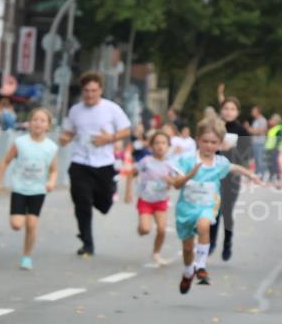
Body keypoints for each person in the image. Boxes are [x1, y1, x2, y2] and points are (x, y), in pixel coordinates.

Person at [172, 118, 261, 294]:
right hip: (186, 209)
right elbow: (176, 184)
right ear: (197, 140)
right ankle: (189, 271)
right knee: (187, 248)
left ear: (220, 144)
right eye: (205, 141)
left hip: (208, 205)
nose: (209, 146)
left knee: (204, 224)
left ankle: (201, 266)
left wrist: (251, 175)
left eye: (214, 142)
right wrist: (190, 175)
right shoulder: (187, 159)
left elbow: (234, 167)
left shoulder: (219, 163)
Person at [59, 71, 132, 256]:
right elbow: (68, 132)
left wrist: (111, 138)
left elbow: (126, 130)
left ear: (100, 90)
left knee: (104, 205)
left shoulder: (111, 109)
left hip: (104, 164)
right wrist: (65, 138)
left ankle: (110, 190)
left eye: (93, 90)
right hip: (80, 162)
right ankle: (87, 242)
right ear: (82, 91)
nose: (90, 94)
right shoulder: (75, 110)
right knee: (82, 202)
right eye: (86, 91)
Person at [0, 108, 58, 270]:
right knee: (16, 225)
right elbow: (5, 161)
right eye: (35, 119)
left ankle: (26, 257)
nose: (38, 123)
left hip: (38, 190)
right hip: (20, 188)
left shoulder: (51, 147)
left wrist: (51, 182)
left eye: (42, 120)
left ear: (48, 126)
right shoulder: (20, 143)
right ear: (29, 123)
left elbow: (54, 169)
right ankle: (21, 220)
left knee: (32, 224)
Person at [210, 95, 253, 260]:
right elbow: (204, 147)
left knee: (226, 212)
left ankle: (227, 243)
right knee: (214, 210)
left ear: (238, 112)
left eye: (232, 109)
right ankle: (211, 242)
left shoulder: (242, 131)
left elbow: (246, 156)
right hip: (214, 175)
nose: (229, 112)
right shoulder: (214, 127)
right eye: (226, 108)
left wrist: (231, 149)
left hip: (232, 176)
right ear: (221, 110)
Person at [125, 130, 176, 267]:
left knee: (161, 229)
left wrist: (170, 181)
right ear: (151, 146)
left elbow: (176, 181)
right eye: (157, 143)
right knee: (145, 230)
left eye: (163, 143)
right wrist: (128, 193)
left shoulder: (171, 164)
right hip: (146, 200)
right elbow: (131, 173)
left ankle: (156, 253)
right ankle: (141, 227)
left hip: (161, 201)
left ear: (168, 146)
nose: (160, 146)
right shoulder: (146, 161)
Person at [249, 105, 268, 177]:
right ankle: (257, 175)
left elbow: (261, 131)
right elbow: (253, 131)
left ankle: (263, 176)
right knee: (256, 160)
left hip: (260, 143)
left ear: (258, 112)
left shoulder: (263, 120)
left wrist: (251, 130)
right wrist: (252, 130)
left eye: (253, 111)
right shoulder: (255, 121)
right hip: (254, 143)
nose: (252, 112)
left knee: (260, 160)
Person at [265, 114, 282, 183]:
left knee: (273, 163)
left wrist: (275, 147)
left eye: (272, 120)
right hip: (269, 148)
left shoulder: (279, 128)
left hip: (274, 149)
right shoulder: (272, 128)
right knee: (270, 163)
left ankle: (276, 176)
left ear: (276, 121)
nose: (270, 121)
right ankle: (272, 176)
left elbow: (279, 139)